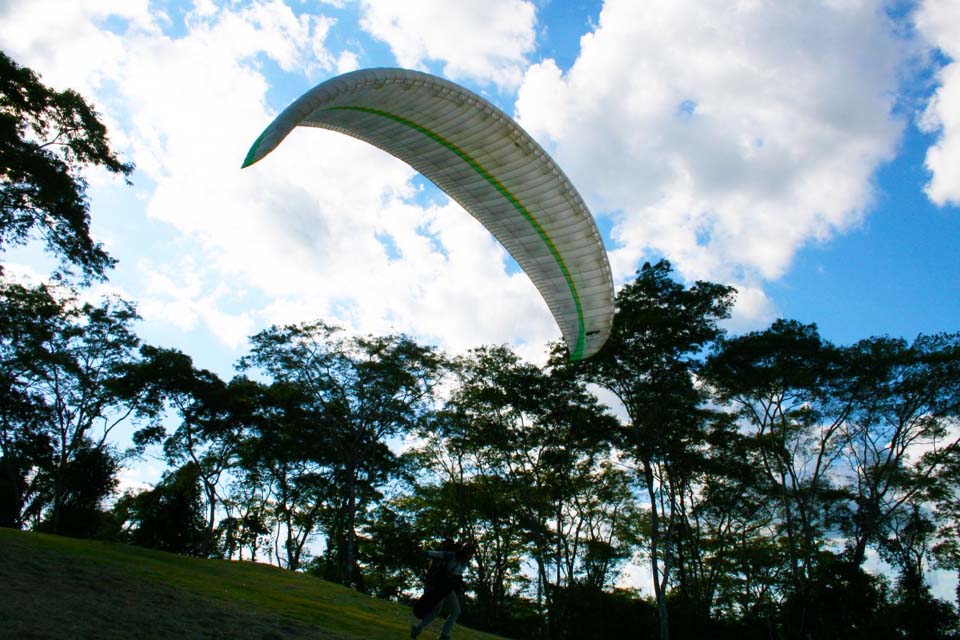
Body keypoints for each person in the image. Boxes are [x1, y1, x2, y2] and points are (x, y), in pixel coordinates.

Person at [411, 539, 477, 640]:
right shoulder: (451, 556)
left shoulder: (464, 563)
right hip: (440, 587)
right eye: (470, 553)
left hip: (448, 588)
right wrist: (423, 552)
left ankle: (444, 635)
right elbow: (437, 554)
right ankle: (417, 628)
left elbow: (457, 575)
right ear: (465, 551)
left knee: (456, 611)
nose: (470, 556)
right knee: (435, 612)